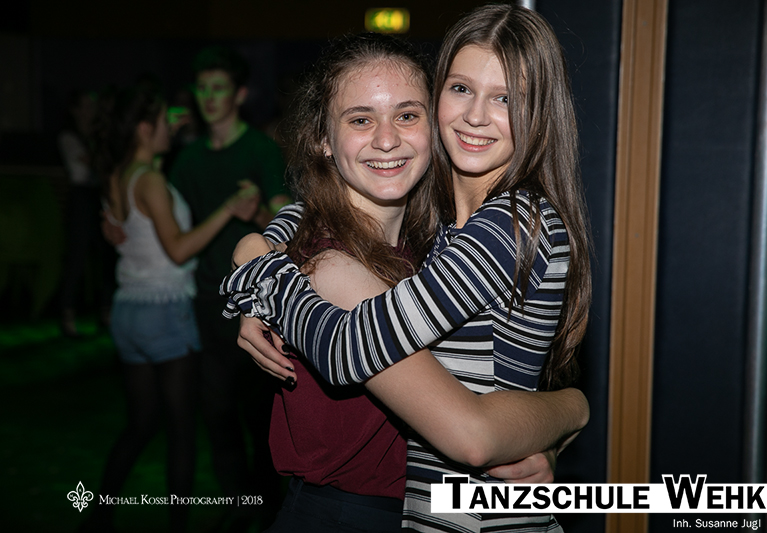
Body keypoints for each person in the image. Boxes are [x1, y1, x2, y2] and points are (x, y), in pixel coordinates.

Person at [225, 4, 592, 531]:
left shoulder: (492, 227)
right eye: (461, 89)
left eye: (506, 98)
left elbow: (354, 353)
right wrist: (259, 247)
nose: (475, 116)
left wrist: (259, 272)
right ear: (322, 138)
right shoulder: (429, 234)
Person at [79, 81, 258, 533]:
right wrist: (228, 209)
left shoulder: (118, 173)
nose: (171, 129)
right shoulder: (151, 180)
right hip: (164, 311)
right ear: (144, 128)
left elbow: (125, 234)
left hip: (128, 310)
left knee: (141, 423)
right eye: (163, 121)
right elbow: (178, 251)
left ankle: (99, 516)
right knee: (180, 429)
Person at [168, 46, 288, 529]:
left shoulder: (260, 150)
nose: (210, 97)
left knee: (260, 418)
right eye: (203, 88)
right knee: (217, 418)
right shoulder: (188, 159)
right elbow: (171, 228)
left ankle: (269, 512)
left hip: (255, 306)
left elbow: (285, 227)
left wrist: (256, 214)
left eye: (219, 88)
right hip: (204, 301)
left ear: (239, 94)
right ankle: (239, 509)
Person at [57, 89, 115, 337]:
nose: (92, 111)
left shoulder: (97, 135)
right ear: (75, 110)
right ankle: (66, 313)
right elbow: (89, 162)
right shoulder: (69, 136)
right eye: (87, 106)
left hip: (99, 197)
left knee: (107, 255)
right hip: (81, 198)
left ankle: (106, 312)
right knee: (77, 257)